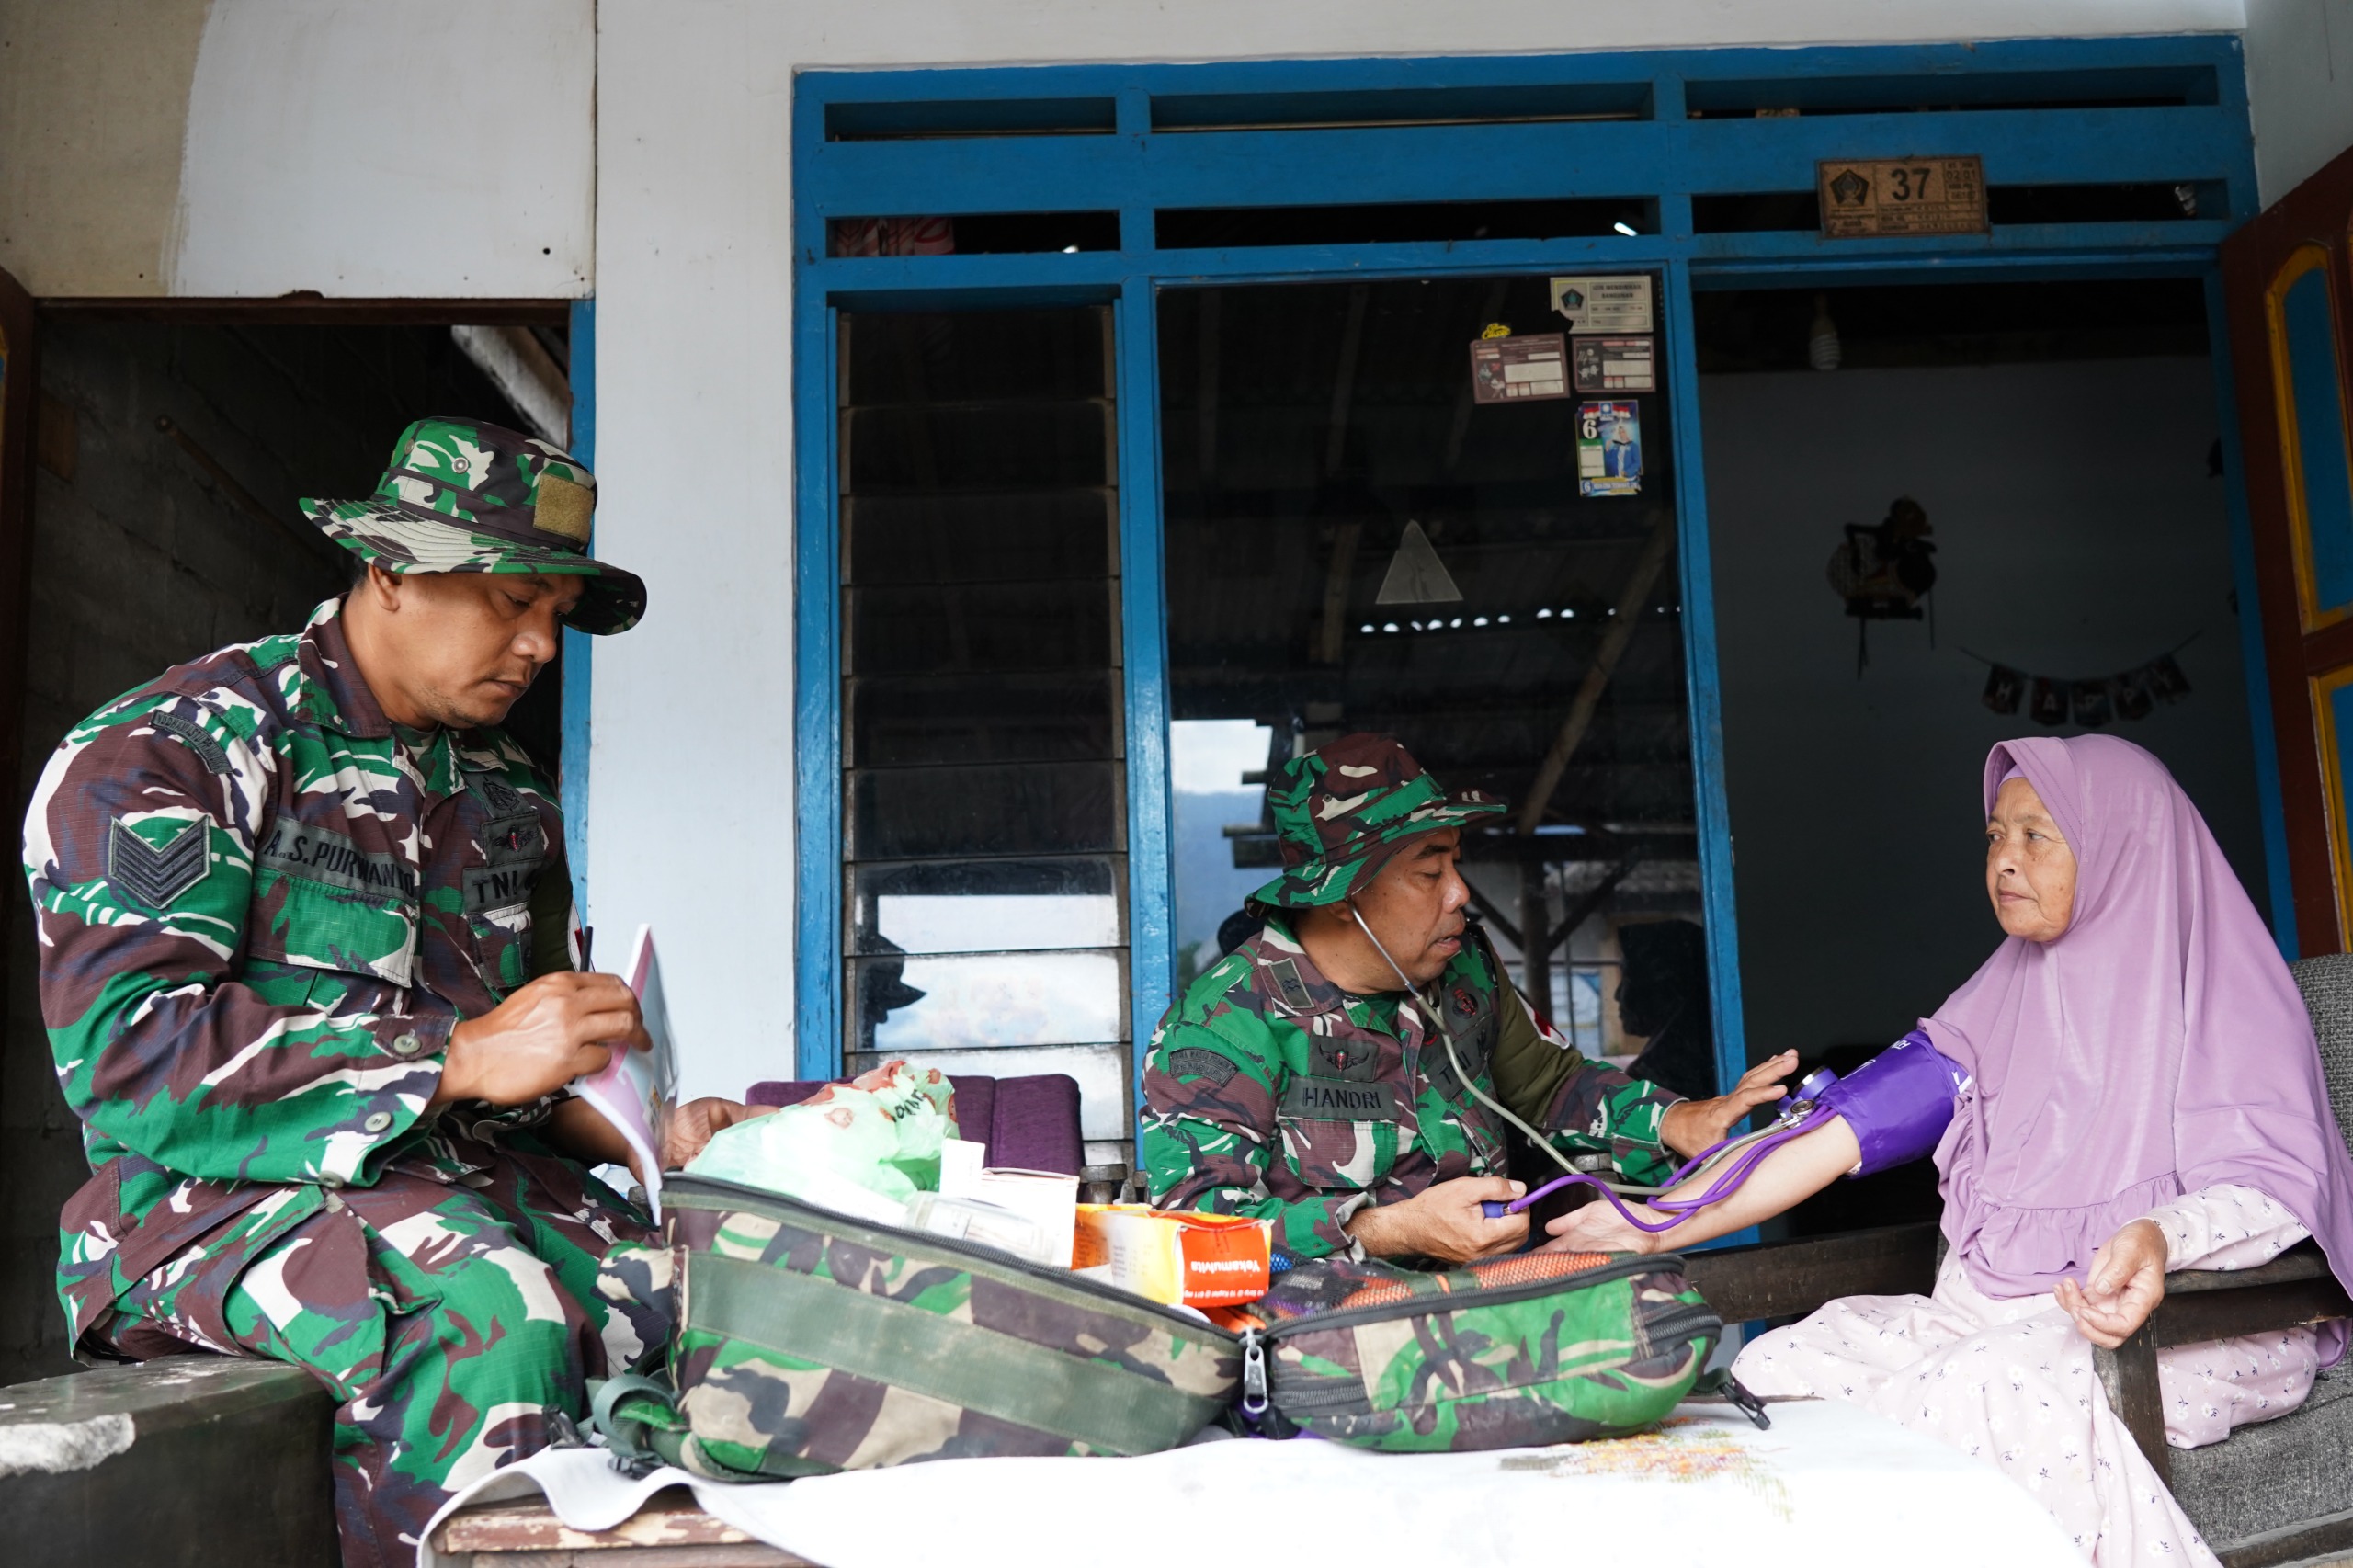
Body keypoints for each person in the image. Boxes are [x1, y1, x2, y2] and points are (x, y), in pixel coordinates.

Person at [21, 418, 764, 1568]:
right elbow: (129, 1050)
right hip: (206, 1196)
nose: (540, 647)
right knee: (490, 1320)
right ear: (390, 569)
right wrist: (457, 1055)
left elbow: (515, 1070)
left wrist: (633, 1126)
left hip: (468, 1181)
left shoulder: (505, 785)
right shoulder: (184, 743)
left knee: (726, 1299)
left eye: (557, 616)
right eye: (511, 601)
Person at [1547, 735, 2353, 1567]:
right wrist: (1655, 1225)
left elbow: (2278, 1185)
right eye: (1995, 836)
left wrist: (2158, 1238)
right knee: (1786, 1361)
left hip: (2185, 1325)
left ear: (2125, 846)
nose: (2005, 859)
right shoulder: (1998, 1000)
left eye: (2038, 835)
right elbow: (1834, 1131)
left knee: (1984, 1389)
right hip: (2000, 1320)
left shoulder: (2230, 1000)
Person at [1140, 733, 1793, 1264]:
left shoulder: (1465, 970)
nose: (1460, 893)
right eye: (1430, 871)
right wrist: (1389, 1229)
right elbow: (1199, 1240)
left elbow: (1552, 1086)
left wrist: (1681, 1121)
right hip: (1339, 1347)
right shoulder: (1224, 1023)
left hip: (1496, 1307)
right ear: (1342, 897)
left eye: (1455, 863)